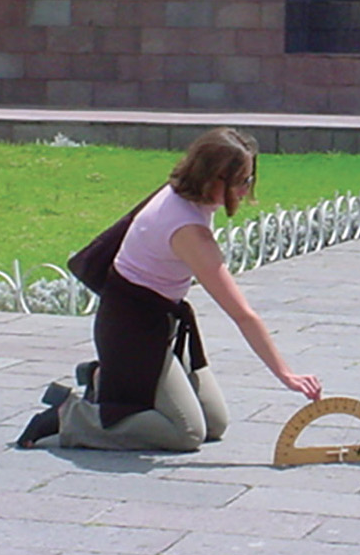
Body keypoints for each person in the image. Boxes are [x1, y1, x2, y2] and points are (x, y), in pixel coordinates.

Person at [16, 127, 322, 452]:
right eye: (241, 181)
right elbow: (242, 315)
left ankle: (101, 380)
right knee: (185, 433)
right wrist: (286, 374)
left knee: (214, 424)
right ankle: (71, 415)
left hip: (157, 320)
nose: (247, 190)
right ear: (212, 179)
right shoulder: (188, 231)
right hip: (131, 330)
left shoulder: (184, 193)